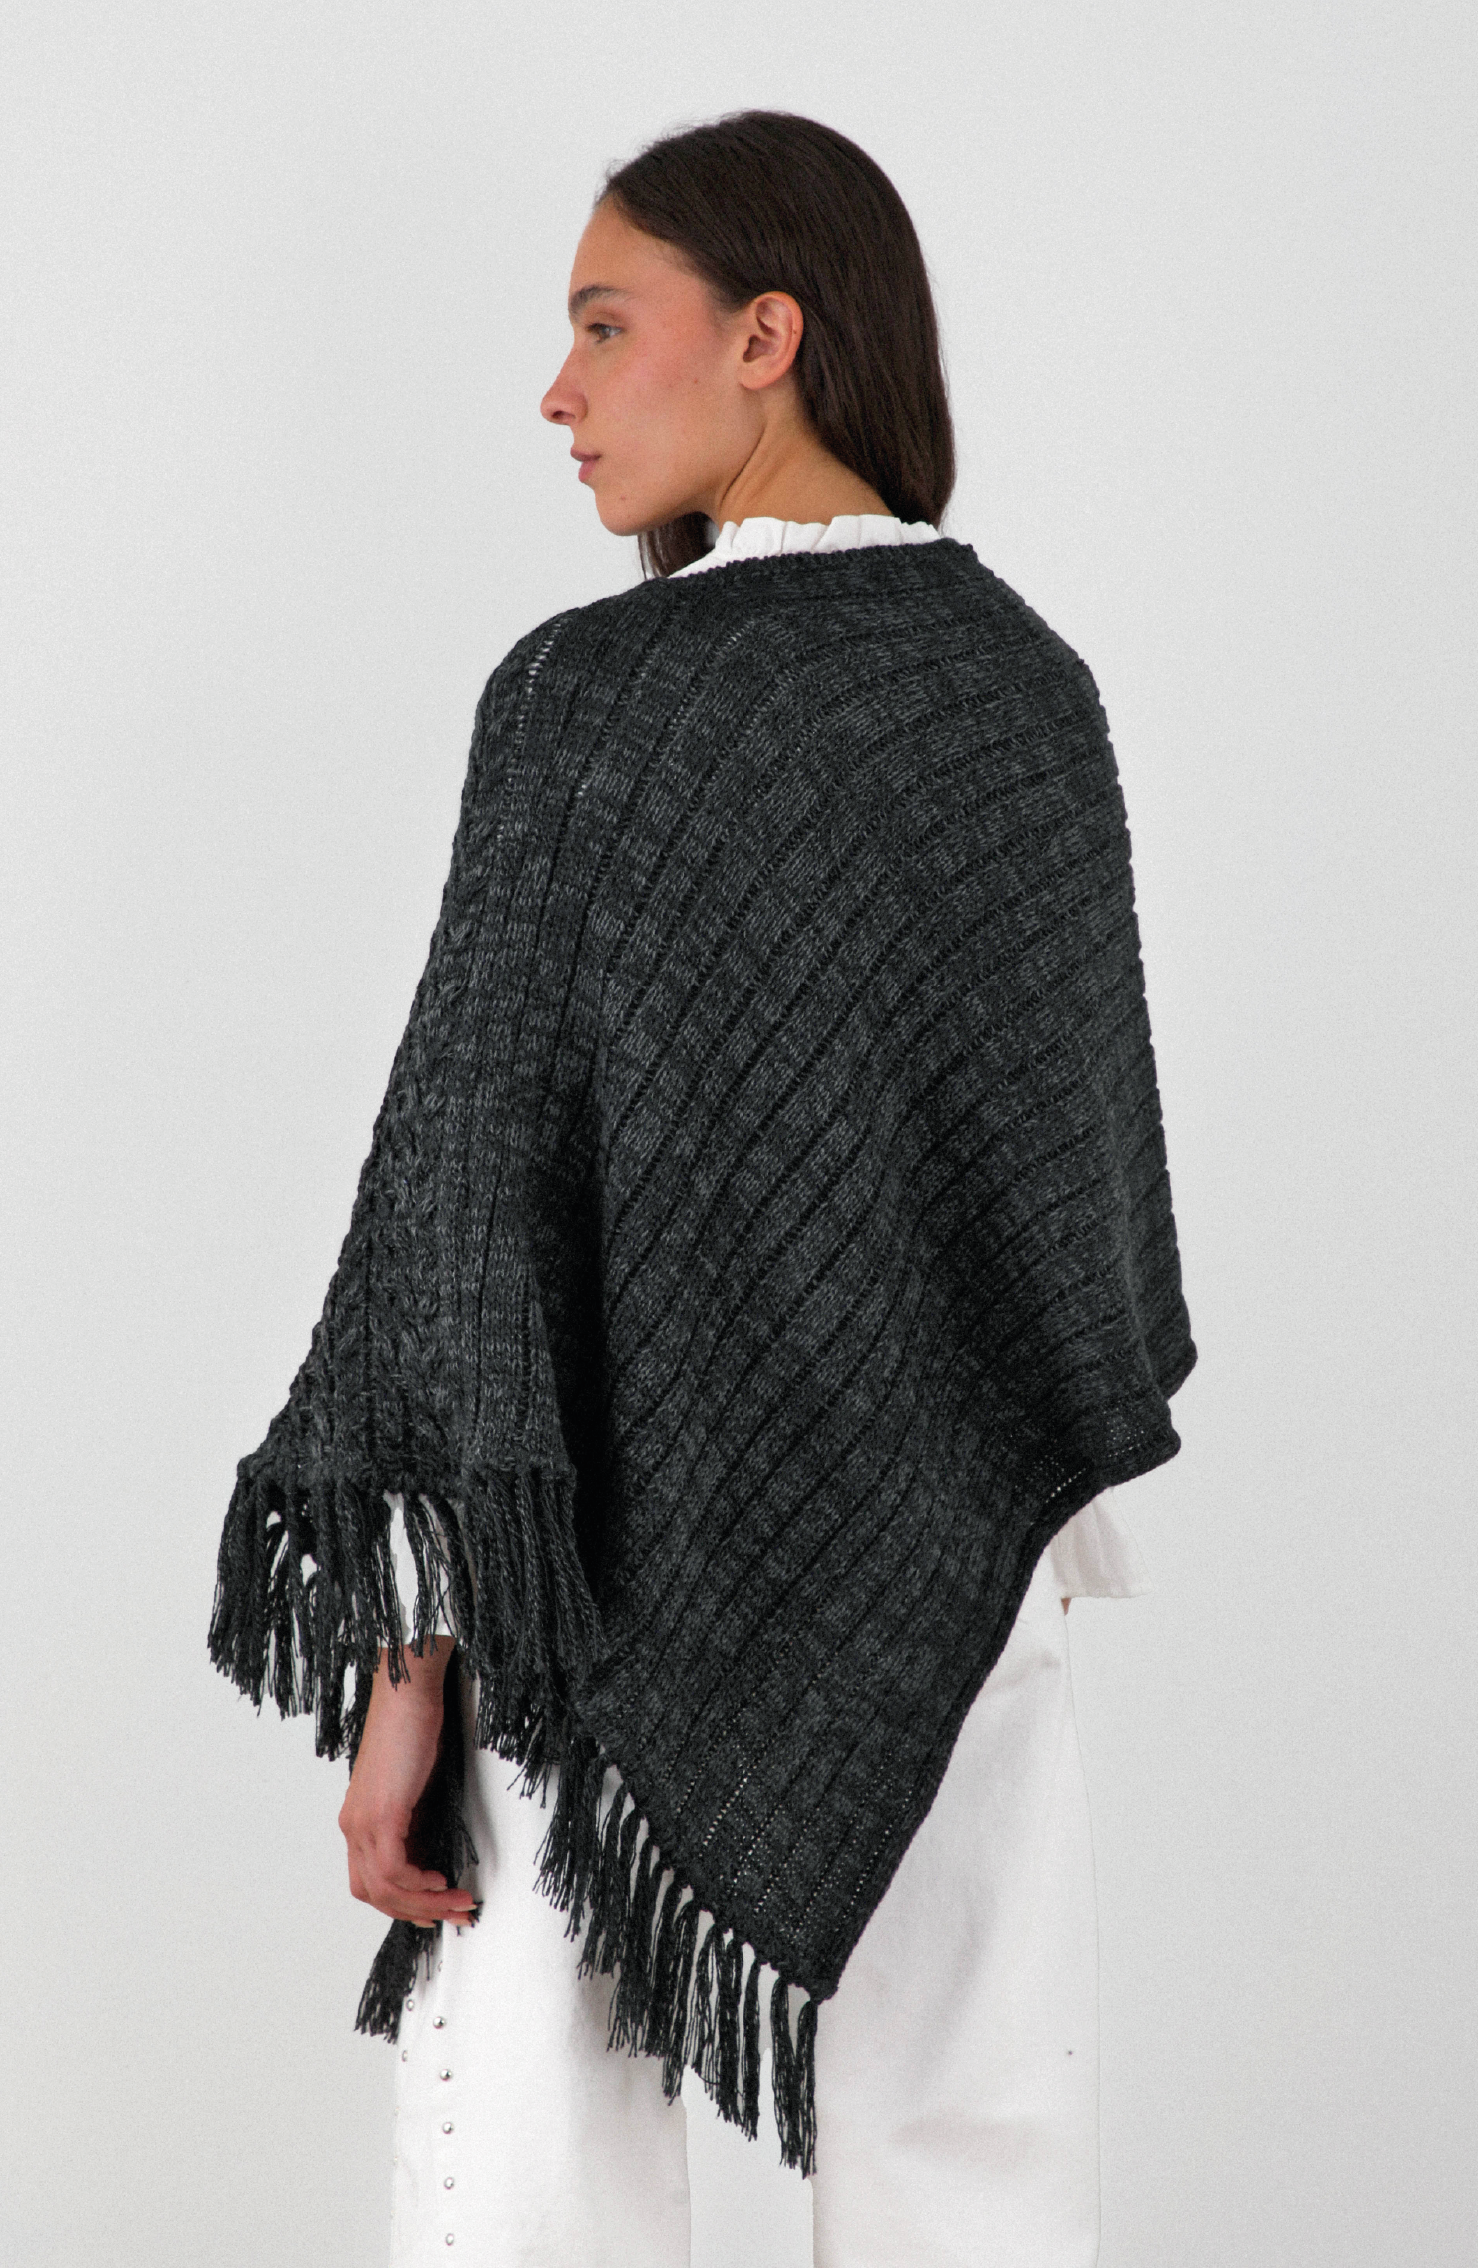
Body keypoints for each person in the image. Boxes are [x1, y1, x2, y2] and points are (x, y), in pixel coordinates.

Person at [210, 111, 1195, 2267]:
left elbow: (467, 1205)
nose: (555, 393)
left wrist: (410, 1667)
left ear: (766, 336)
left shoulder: (591, 699)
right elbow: (1050, 1226)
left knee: (521, 2160)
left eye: (601, 327)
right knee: (974, 2138)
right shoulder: (1023, 694)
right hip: (961, 1546)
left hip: (597, 1561)